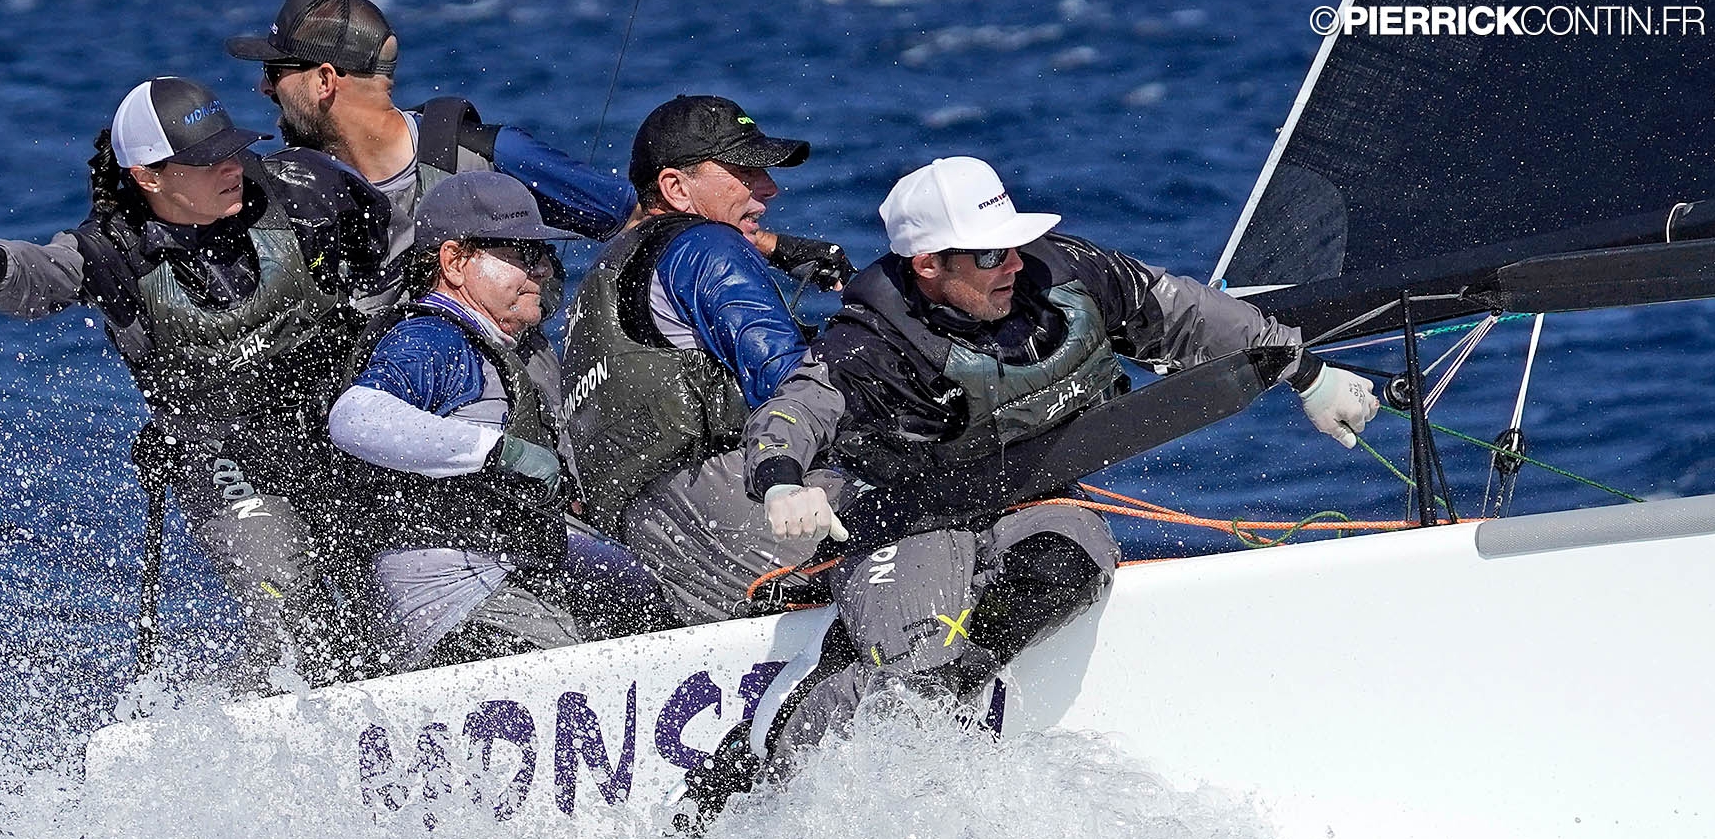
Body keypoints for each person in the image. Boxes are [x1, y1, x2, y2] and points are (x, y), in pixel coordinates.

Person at [675, 156, 1381, 826]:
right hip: (905, 520)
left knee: (1070, 567)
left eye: (1013, 244)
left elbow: (1184, 311)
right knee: (915, 679)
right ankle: (766, 747)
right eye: (988, 255)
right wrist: (780, 481)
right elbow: (792, 412)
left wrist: (1306, 371)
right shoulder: (871, 346)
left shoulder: (1069, 277)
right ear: (927, 265)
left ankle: (959, 670)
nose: (1012, 263)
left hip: (1025, 497)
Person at [0, 77, 394, 687]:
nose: (231, 167)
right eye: (206, 161)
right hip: (221, 457)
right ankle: (282, 708)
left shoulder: (302, 189)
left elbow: (382, 237)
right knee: (283, 593)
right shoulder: (110, 253)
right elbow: (38, 273)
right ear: (149, 176)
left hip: (337, 426)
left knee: (386, 573)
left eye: (232, 149)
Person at [328, 171, 675, 669]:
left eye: (545, 256)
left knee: (655, 587)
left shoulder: (512, 348)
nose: (543, 271)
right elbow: (356, 417)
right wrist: (499, 453)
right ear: (454, 262)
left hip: (513, 570)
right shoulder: (431, 340)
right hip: (458, 608)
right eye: (522, 254)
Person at [559, 94, 858, 626]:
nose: (768, 189)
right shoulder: (709, 246)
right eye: (746, 171)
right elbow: (789, 383)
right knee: (927, 517)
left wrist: (773, 246)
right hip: (733, 493)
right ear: (676, 188)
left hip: (649, 524)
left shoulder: (608, 270)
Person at [225, 0, 639, 279]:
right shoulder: (293, 190)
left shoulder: (486, 155)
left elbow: (635, 217)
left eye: (275, 70)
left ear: (325, 80)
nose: (264, 86)